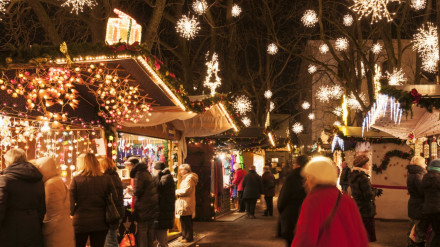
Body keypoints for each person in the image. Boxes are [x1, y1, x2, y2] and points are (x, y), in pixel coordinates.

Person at [291, 156, 369, 247]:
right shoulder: (347, 200)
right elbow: (361, 235)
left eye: (308, 177)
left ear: (315, 178)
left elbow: (305, 238)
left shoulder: (313, 201)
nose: (306, 183)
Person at [70, 153, 119, 247]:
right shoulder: (106, 178)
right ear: (96, 163)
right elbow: (115, 198)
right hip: (101, 221)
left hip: (80, 221)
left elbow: (71, 204)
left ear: (82, 164)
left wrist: (72, 213)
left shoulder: (76, 179)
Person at [0, 148, 46, 247]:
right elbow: (42, 208)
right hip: (33, 228)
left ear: (8, 161)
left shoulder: (5, 180)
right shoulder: (38, 180)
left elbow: (1, 205)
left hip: (11, 230)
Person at [35, 157, 75, 247]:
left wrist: (42, 231)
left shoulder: (51, 185)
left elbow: (53, 216)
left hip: (56, 237)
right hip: (64, 231)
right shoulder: (57, 181)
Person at [126, 156, 159, 247]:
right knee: (149, 231)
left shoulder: (139, 174)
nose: (128, 168)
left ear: (132, 165)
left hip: (143, 208)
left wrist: (131, 191)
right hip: (150, 206)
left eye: (128, 166)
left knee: (143, 231)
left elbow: (138, 191)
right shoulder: (146, 172)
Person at [349, 154, 382, 242]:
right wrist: (375, 192)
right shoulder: (363, 178)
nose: (369, 165)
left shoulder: (353, 175)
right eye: (368, 163)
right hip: (366, 209)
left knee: (359, 233)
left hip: (358, 207)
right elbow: (368, 195)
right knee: (366, 235)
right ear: (363, 165)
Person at [277, 155, 308, 247]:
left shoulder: (291, 178)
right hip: (306, 216)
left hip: (291, 215)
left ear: (296, 164)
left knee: (291, 242)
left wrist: (282, 212)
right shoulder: (310, 177)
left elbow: (282, 199)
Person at [99, 156, 124, 247]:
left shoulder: (108, 178)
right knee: (111, 238)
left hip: (111, 214)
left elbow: (112, 198)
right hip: (116, 212)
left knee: (110, 240)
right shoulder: (114, 176)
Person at [152, 161, 175, 247]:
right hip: (163, 211)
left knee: (161, 239)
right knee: (162, 239)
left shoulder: (163, 178)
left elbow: (159, 191)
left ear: (157, 170)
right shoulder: (167, 177)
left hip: (162, 211)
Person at [406, 156, 428, 247]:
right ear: (420, 164)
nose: (426, 165)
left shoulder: (412, 174)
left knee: (416, 229)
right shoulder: (418, 175)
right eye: (424, 163)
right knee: (419, 231)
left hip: (415, 205)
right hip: (418, 206)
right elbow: (422, 191)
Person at [175, 164, 199, 243]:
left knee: (187, 221)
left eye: (181, 170)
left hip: (186, 202)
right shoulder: (185, 178)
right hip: (184, 202)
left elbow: (186, 190)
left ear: (186, 170)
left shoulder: (189, 179)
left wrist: (176, 192)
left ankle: (188, 238)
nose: (180, 172)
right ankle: (184, 236)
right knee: (183, 220)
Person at [421, 159, 440, 246]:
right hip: (438, 209)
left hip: (428, 209)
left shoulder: (425, 177)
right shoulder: (438, 178)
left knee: (435, 232)